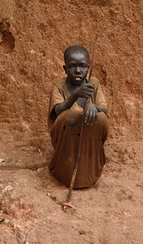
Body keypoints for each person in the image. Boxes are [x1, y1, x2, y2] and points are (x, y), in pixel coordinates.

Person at [48, 45, 108, 189]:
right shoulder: (58, 85)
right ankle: (65, 171)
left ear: (88, 68)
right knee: (71, 117)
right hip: (67, 138)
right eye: (72, 66)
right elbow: (58, 110)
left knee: (100, 118)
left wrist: (93, 106)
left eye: (82, 66)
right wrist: (75, 95)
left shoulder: (94, 83)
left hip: (88, 140)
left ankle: (89, 170)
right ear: (65, 68)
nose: (78, 71)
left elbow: (104, 110)